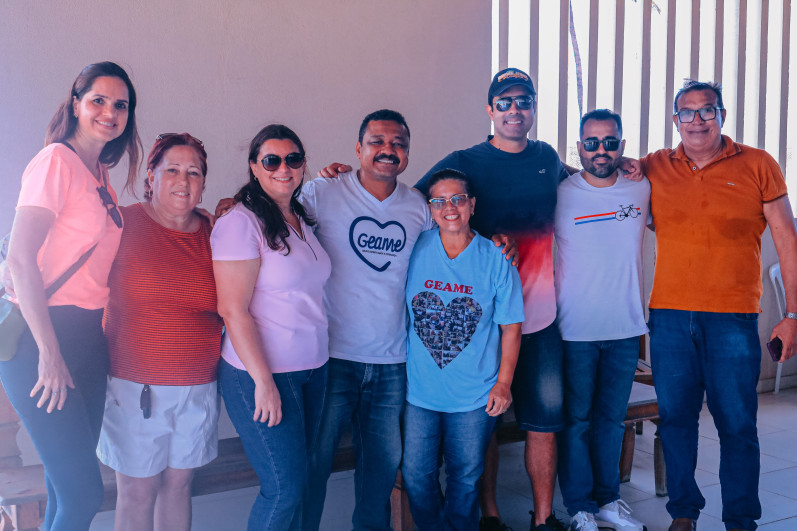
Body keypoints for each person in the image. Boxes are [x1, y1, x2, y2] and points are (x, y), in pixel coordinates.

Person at [415, 68, 569, 531]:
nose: (514, 110)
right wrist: (343, 178)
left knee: (545, 423)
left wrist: (628, 166)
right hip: (482, 325)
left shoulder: (547, 157)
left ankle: (544, 518)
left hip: (539, 317)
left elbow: (584, 179)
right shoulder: (466, 161)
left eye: (523, 100)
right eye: (504, 102)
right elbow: (413, 202)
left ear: (534, 107)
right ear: (490, 110)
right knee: (484, 423)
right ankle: (491, 517)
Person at [640, 80, 797, 531]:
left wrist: (792, 315)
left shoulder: (758, 164)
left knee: (737, 425)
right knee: (676, 421)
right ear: (675, 121)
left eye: (706, 110)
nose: (697, 120)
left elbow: (787, 240)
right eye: (687, 112)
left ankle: (740, 519)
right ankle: (683, 512)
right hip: (669, 317)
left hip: (733, 318)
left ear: (722, 115)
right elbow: (604, 177)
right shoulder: (654, 166)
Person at [0, 61, 142, 530]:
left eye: (120, 105)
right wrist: (49, 353)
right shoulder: (56, 162)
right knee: (84, 494)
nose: (109, 112)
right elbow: (20, 259)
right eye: (98, 100)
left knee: (66, 491)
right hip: (41, 339)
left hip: (86, 337)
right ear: (76, 104)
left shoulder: (98, 173)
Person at [301, 110, 433, 531]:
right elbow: (273, 217)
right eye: (377, 141)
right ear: (358, 149)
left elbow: (449, 253)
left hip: (392, 363)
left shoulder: (418, 207)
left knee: (379, 472)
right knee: (314, 466)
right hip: (331, 358)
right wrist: (233, 205)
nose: (388, 150)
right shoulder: (322, 192)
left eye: (398, 144)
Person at [96, 133, 222, 531]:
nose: (183, 181)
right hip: (135, 387)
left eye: (194, 172)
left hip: (198, 388)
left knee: (179, 486)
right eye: (172, 170)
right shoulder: (121, 223)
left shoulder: (215, 234)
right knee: (137, 491)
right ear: (151, 176)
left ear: (203, 183)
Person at [212, 124, 331, 531]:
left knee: (305, 482)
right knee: (283, 489)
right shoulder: (240, 222)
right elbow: (232, 310)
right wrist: (263, 382)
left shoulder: (301, 218)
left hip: (314, 369)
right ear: (254, 167)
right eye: (272, 160)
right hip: (262, 374)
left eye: (293, 159)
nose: (284, 168)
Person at [402, 169, 523, 530]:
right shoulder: (414, 248)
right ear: (430, 209)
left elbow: (511, 327)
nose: (449, 208)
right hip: (420, 392)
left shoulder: (496, 257)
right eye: (439, 201)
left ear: (472, 204)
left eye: (457, 199)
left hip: (474, 394)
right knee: (416, 475)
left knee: (466, 478)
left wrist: (504, 383)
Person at [553, 109, 648, 531]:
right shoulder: (560, 193)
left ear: (622, 146)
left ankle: (609, 500)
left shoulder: (641, 186)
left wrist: (640, 165)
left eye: (610, 142)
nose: (601, 150)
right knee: (576, 423)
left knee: (611, 421)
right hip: (575, 330)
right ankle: (580, 508)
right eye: (591, 143)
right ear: (579, 148)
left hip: (625, 328)